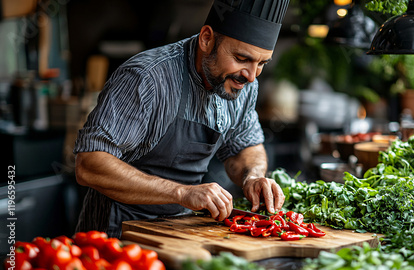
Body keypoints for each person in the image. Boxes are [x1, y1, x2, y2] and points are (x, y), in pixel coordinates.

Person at [73, 0, 290, 238]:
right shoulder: (147, 78)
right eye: (241, 58)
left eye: (261, 64)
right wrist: (182, 193)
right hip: (116, 235)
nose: (250, 76)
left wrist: (254, 177)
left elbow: (244, 145)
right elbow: (89, 164)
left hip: (181, 232)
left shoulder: (243, 84)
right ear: (207, 39)